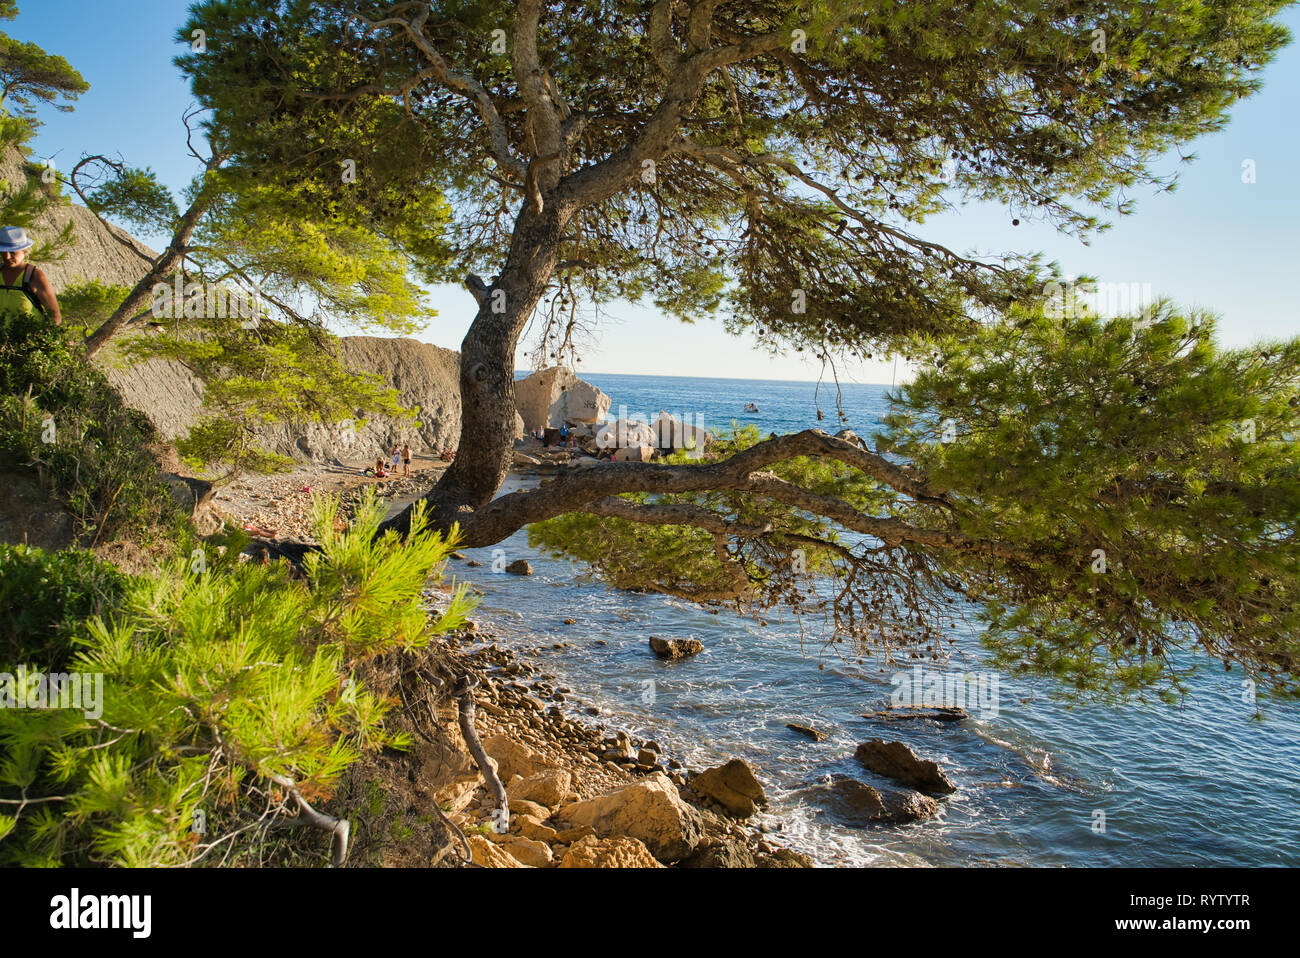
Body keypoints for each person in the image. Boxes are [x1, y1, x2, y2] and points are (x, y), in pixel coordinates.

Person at [0, 227, 62, 325]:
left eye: (12, 252)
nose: (7, 257)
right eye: (4, 251)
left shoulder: (34, 276)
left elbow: (55, 317)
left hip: (29, 338)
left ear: (24, 251)